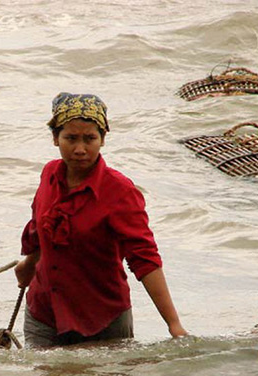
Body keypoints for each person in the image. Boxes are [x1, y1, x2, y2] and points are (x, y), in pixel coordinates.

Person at [15, 92, 188, 348]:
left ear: (103, 139)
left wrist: (173, 324)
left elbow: (145, 259)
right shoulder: (49, 174)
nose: (80, 149)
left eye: (90, 139)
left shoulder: (119, 191)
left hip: (101, 319)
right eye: (70, 138)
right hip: (44, 314)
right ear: (55, 138)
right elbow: (42, 227)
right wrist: (29, 262)